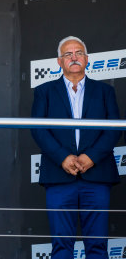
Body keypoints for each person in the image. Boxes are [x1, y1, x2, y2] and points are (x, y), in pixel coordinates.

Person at [31, 36, 120, 259]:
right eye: (67, 54)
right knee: (61, 246)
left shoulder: (105, 92)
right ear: (59, 62)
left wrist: (91, 157)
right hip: (59, 176)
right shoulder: (44, 92)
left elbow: (115, 129)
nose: (74, 57)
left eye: (78, 53)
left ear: (87, 59)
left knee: (97, 246)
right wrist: (63, 157)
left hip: (97, 175)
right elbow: (38, 129)